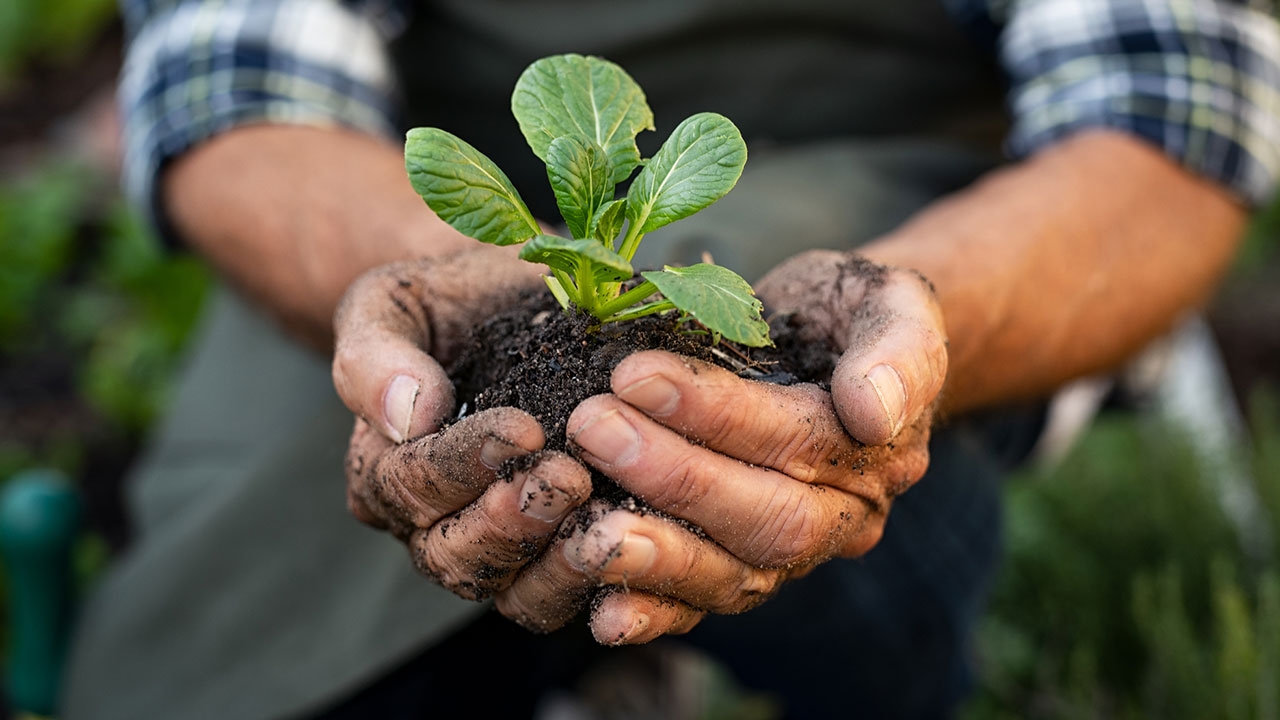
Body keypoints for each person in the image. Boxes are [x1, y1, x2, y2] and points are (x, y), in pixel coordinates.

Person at [63, 1, 1280, 718]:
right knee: (245, 620)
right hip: (403, 227)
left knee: (842, 515)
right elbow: (235, 83)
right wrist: (442, 294)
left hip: (913, 207)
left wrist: (912, 332)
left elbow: (1166, 118)